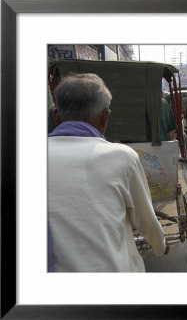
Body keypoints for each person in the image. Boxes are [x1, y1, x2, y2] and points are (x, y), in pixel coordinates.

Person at [48, 73, 168, 272]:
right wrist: (160, 246)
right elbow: (145, 219)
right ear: (105, 117)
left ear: (56, 116)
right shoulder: (123, 157)